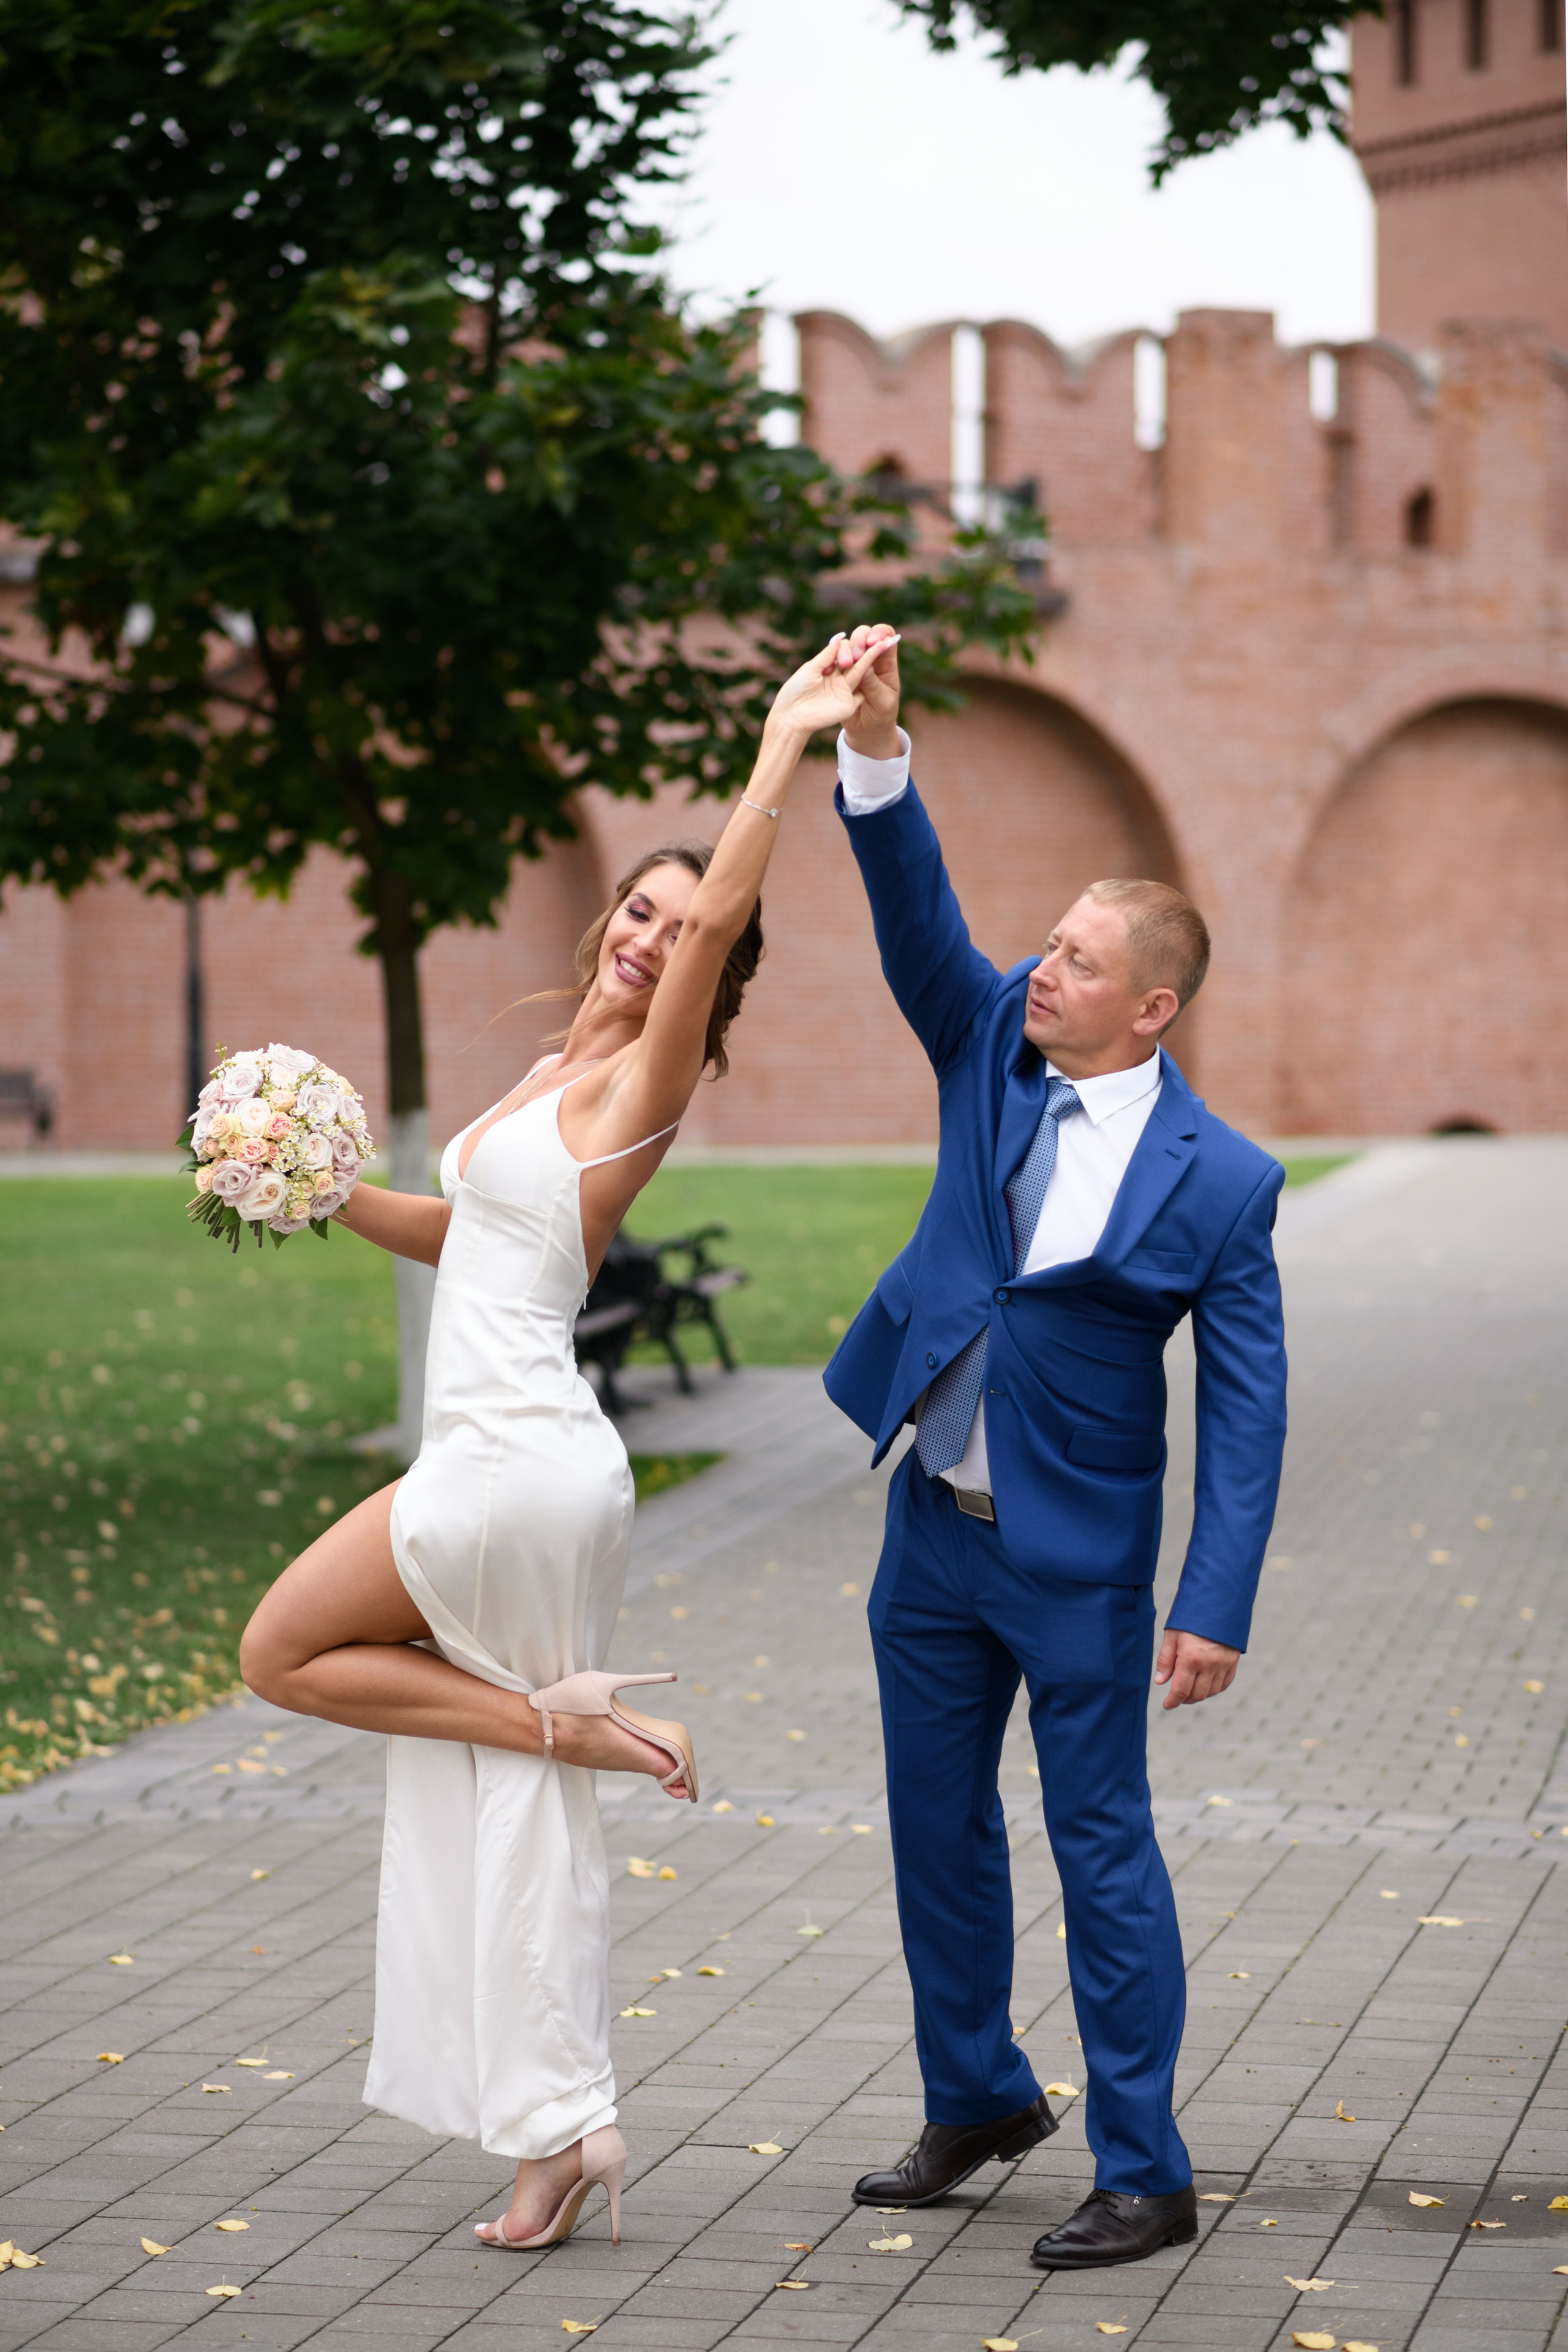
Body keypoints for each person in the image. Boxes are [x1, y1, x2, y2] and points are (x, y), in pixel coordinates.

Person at [239, 631, 891, 2254]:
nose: (653, 934)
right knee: (485, 1776)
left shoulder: (649, 1081)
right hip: (510, 1457)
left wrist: (779, 748)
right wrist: (313, 1186)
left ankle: (575, 1743)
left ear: (700, 973)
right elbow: (468, 1236)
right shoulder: (554, 1077)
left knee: (287, 1653)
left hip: (514, 1461)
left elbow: (732, 906)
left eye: (681, 929)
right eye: (640, 910)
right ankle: (557, 2127)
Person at [821, 624, 1287, 2271]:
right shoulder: (988, 1051)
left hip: (1080, 1560)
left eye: (1081, 961)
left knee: (1104, 1853)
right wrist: (878, 750)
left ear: (1152, 1005)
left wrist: (1214, 1598)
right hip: (932, 1530)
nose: (1045, 968)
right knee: (932, 1822)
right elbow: (915, 920)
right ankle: (978, 2097)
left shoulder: (1224, 1180)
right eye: (1050, 944)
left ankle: (1144, 2167)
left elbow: (1248, 1399)